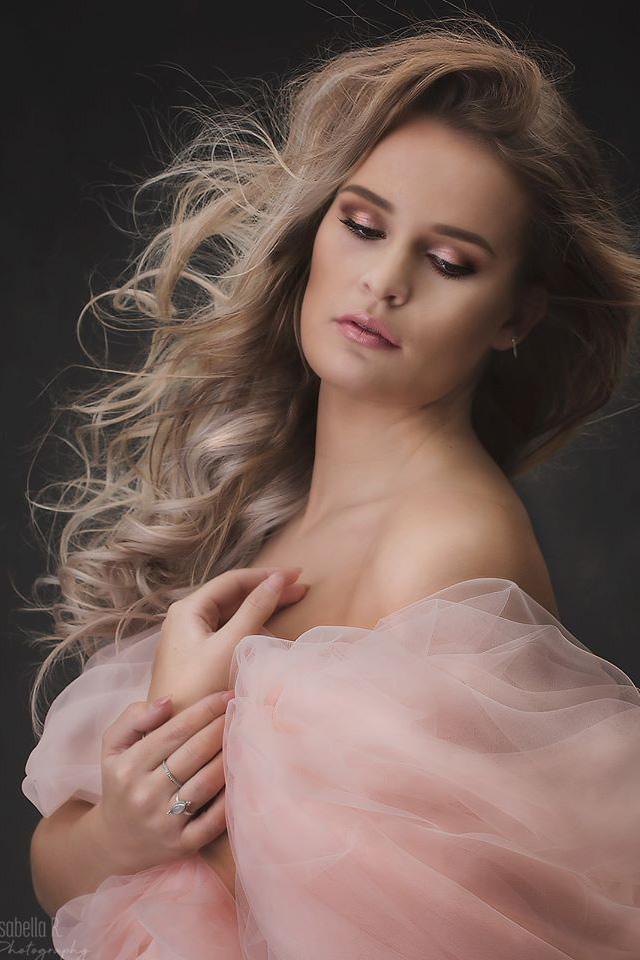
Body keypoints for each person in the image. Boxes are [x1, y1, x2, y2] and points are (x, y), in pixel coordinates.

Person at [21, 15, 640, 959]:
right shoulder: (282, 508)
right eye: (362, 225)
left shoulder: (445, 550)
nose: (383, 281)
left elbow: (330, 925)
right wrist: (122, 829)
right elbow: (61, 864)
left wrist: (187, 730)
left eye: (447, 262)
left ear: (515, 314)